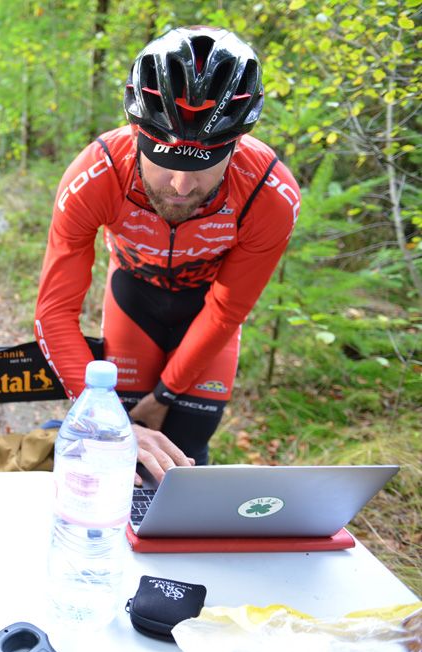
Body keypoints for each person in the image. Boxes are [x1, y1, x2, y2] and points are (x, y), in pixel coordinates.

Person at [34, 26, 300, 483]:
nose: (180, 188)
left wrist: (165, 395)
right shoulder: (97, 174)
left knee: (186, 454)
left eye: (201, 167)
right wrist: (109, 418)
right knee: (121, 455)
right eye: (165, 162)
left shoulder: (268, 195)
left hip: (206, 312)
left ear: (235, 147)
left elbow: (227, 308)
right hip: (132, 299)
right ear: (137, 132)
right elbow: (54, 312)